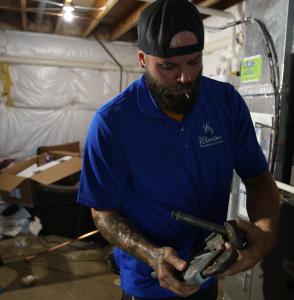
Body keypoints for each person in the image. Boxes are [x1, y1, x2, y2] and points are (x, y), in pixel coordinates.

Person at [77, 0, 280, 299]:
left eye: (194, 62)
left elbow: (259, 179)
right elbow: (103, 212)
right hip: (148, 285)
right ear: (143, 59)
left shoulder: (225, 104)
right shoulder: (112, 123)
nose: (185, 78)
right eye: (168, 66)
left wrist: (264, 233)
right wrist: (152, 254)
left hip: (209, 274)